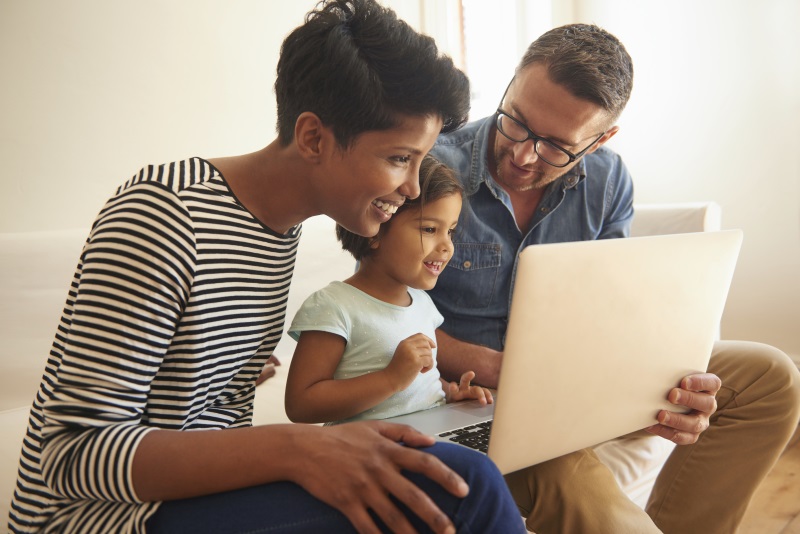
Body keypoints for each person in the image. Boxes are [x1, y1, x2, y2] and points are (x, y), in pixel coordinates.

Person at [7, 1, 526, 533]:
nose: (414, 188)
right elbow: (72, 455)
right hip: (100, 518)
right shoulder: (164, 212)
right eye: (399, 159)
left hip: (203, 493)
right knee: (464, 484)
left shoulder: (279, 229)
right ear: (313, 138)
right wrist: (300, 447)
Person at [427, 23, 800, 534]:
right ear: (511, 83)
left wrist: (638, 394)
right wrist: (504, 371)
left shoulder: (607, 179)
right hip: (478, 405)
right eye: (517, 121)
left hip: (573, 384)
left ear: (602, 138)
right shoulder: (430, 170)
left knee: (770, 377)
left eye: (557, 146)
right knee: (566, 473)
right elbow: (382, 322)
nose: (523, 155)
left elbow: (610, 317)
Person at [284, 155, 492, 426]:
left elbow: (418, 378)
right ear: (374, 233)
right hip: (366, 448)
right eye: (430, 229)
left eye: (450, 232)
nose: (447, 246)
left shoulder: (422, 304)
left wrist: (450, 393)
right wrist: (390, 378)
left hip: (428, 435)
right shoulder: (334, 306)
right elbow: (301, 405)